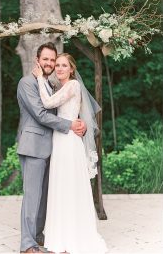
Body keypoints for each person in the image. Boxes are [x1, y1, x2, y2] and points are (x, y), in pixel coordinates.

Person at [32, 53, 107, 254]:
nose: (59, 68)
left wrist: (39, 77)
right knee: (61, 186)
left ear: (72, 69)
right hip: (60, 139)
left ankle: (72, 237)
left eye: (64, 65)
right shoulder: (60, 86)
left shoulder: (73, 85)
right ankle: (61, 236)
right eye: (57, 65)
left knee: (69, 186)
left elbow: (47, 104)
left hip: (68, 141)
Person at [17, 43, 87, 254]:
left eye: (52, 60)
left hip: (54, 147)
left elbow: (63, 110)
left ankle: (39, 235)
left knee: (46, 196)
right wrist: (69, 125)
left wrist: (79, 123)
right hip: (34, 146)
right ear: (37, 60)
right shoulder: (27, 83)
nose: (49, 63)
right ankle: (27, 245)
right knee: (32, 196)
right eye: (45, 59)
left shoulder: (52, 84)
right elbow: (40, 114)